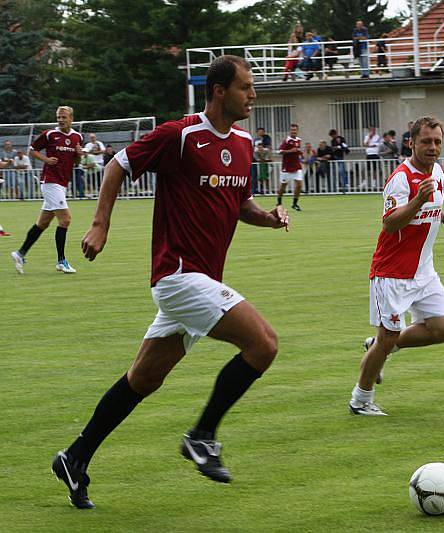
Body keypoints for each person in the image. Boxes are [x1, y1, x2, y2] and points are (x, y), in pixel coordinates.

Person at [51, 55, 290, 510]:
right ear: (219, 91)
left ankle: (75, 456)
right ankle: (202, 436)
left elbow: (242, 207)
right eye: (245, 87)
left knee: (143, 378)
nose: (253, 96)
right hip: (179, 276)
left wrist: (271, 219)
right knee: (264, 343)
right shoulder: (180, 134)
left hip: (199, 281)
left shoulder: (242, 143)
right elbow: (117, 163)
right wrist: (101, 223)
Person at [349, 116, 444, 416]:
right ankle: (360, 400)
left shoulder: (438, 171)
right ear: (411, 142)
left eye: (437, 141)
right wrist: (417, 201)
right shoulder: (401, 178)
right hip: (392, 273)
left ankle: (380, 347)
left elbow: (432, 206)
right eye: (426, 141)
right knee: (387, 338)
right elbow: (390, 224)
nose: (432, 147)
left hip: (423, 271)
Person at [10, 106, 82, 275]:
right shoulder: (50, 134)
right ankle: (61, 261)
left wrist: (79, 154)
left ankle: (20, 254)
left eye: (64, 117)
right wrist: (46, 159)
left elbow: (77, 162)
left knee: (42, 223)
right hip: (50, 182)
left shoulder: (77, 137)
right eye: (59, 117)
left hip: (62, 184)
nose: (61, 120)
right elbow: (32, 150)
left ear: (71, 118)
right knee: (65, 220)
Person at [277, 123, 304, 211]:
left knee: (299, 185)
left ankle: (295, 204)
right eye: (292, 130)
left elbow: (296, 151)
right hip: (287, 168)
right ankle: (279, 202)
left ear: (297, 131)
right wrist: (290, 151)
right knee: (283, 187)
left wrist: (300, 152)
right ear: (290, 131)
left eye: (295, 130)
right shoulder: (287, 140)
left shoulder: (299, 140)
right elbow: (280, 151)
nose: (293, 131)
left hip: (296, 166)